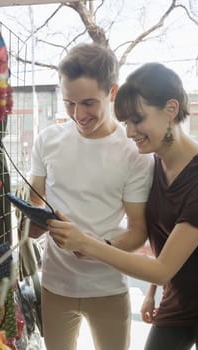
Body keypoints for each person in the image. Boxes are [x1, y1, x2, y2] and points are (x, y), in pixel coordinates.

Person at [48, 62, 198, 350]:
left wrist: (85, 243)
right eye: (125, 122)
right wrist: (153, 293)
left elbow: (162, 268)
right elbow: (170, 245)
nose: (130, 131)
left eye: (137, 119)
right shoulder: (156, 163)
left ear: (171, 110)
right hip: (178, 303)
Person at [27, 43, 154, 350]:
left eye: (88, 103)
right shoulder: (47, 140)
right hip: (54, 285)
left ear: (113, 92)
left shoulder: (134, 153)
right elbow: (33, 206)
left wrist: (94, 247)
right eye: (69, 103)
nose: (78, 115)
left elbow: (139, 230)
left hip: (109, 287)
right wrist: (34, 224)